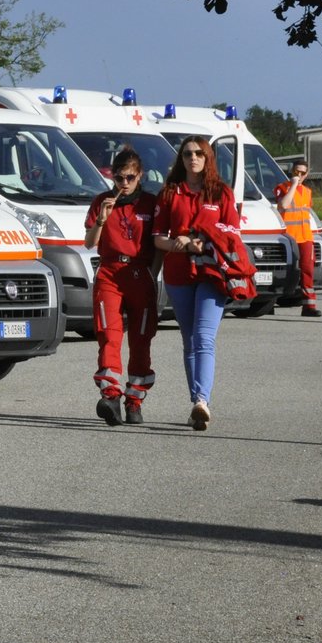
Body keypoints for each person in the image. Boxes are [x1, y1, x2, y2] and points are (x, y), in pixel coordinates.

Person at [153, 134, 239, 431]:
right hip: (178, 274)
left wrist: (204, 242)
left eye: (199, 154)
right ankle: (196, 405)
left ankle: (202, 400)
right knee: (189, 339)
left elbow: (232, 235)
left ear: (208, 158)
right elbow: (158, 238)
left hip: (212, 274)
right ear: (182, 159)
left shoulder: (221, 193)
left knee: (204, 337)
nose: (193, 158)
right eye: (188, 154)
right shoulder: (170, 194)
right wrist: (181, 244)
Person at [83, 147, 158, 425]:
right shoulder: (102, 201)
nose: (123, 184)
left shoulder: (151, 203)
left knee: (141, 338)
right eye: (118, 178)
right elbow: (90, 243)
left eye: (129, 177)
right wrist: (102, 218)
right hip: (110, 272)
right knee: (109, 334)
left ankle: (135, 400)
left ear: (140, 175)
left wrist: (153, 273)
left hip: (141, 273)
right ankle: (110, 396)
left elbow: (159, 244)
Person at [273, 158, 322, 317]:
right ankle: (271, 301)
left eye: (302, 173)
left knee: (308, 270)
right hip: (289, 237)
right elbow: (284, 205)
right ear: (291, 171)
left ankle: (309, 305)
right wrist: (293, 185)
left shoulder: (307, 192)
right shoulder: (282, 188)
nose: (299, 175)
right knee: (285, 270)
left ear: (307, 174)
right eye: (296, 172)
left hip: (305, 236)